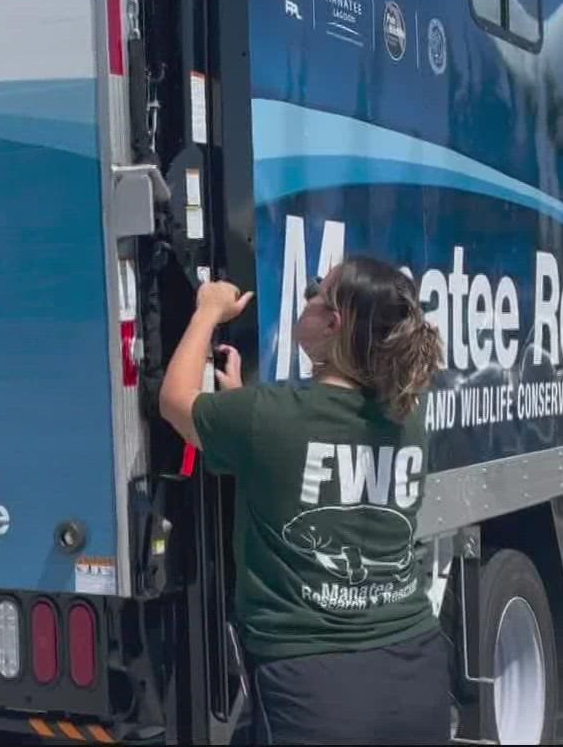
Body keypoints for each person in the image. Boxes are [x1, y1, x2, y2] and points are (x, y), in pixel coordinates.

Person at [160, 255, 451, 745]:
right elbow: (314, 444)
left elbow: (174, 400)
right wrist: (240, 404)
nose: (307, 296)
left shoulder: (268, 417)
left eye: (318, 291)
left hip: (316, 688)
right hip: (416, 668)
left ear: (334, 323)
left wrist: (208, 310)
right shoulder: (408, 415)